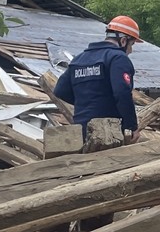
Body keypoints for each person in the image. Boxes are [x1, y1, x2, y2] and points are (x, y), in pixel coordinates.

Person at [53, 15, 142, 144]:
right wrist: (132, 126)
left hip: (81, 129)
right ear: (123, 41)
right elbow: (122, 92)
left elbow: (60, 91)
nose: (131, 50)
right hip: (109, 132)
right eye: (131, 44)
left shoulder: (79, 59)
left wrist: (86, 104)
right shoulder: (118, 58)